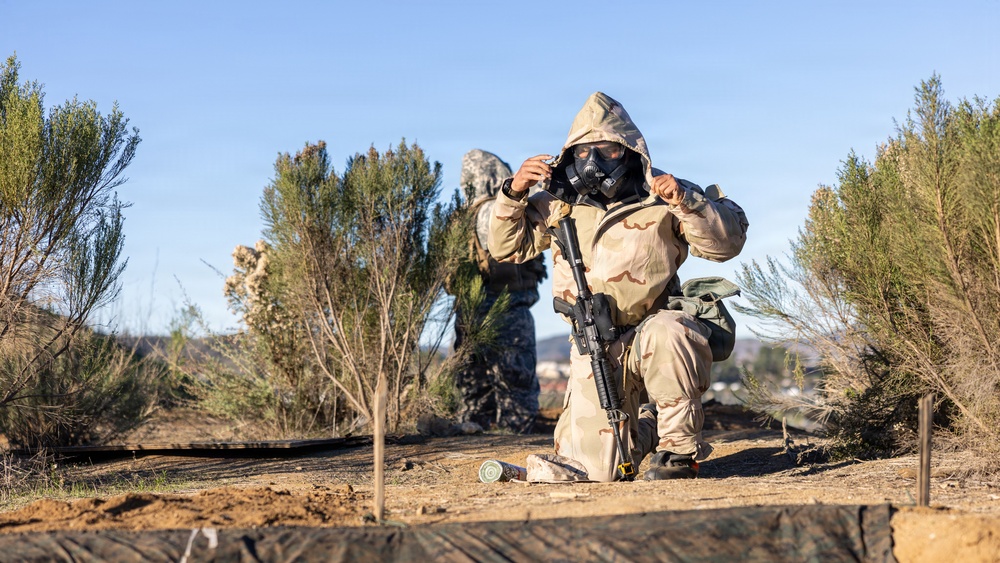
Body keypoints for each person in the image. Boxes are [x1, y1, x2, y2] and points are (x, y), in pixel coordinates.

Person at [488, 92, 749, 480]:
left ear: (628, 150)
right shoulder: (556, 202)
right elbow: (507, 249)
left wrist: (686, 201)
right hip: (593, 342)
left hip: (653, 334)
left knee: (671, 330)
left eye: (607, 150)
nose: (593, 161)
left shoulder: (663, 192)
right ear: (569, 155)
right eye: (583, 151)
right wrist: (513, 194)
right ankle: (649, 423)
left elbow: (726, 245)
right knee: (603, 472)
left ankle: (678, 454)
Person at [451, 149, 547, 434]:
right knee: (516, 386)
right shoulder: (494, 211)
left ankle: (473, 435)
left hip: (469, 312)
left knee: (473, 387)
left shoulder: (461, 216)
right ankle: (513, 440)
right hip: (509, 311)